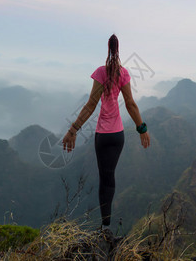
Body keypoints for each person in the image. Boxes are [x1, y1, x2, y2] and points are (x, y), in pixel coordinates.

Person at [62, 34, 150, 229]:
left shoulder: (100, 73)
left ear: (108, 48)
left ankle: (105, 226)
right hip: (118, 136)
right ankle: (107, 227)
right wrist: (141, 128)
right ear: (119, 49)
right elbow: (130, 104)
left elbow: (91, 105)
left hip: (102, 136)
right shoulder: (124, 73)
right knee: (110, 176)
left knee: (104, 178)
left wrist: (73, 129)